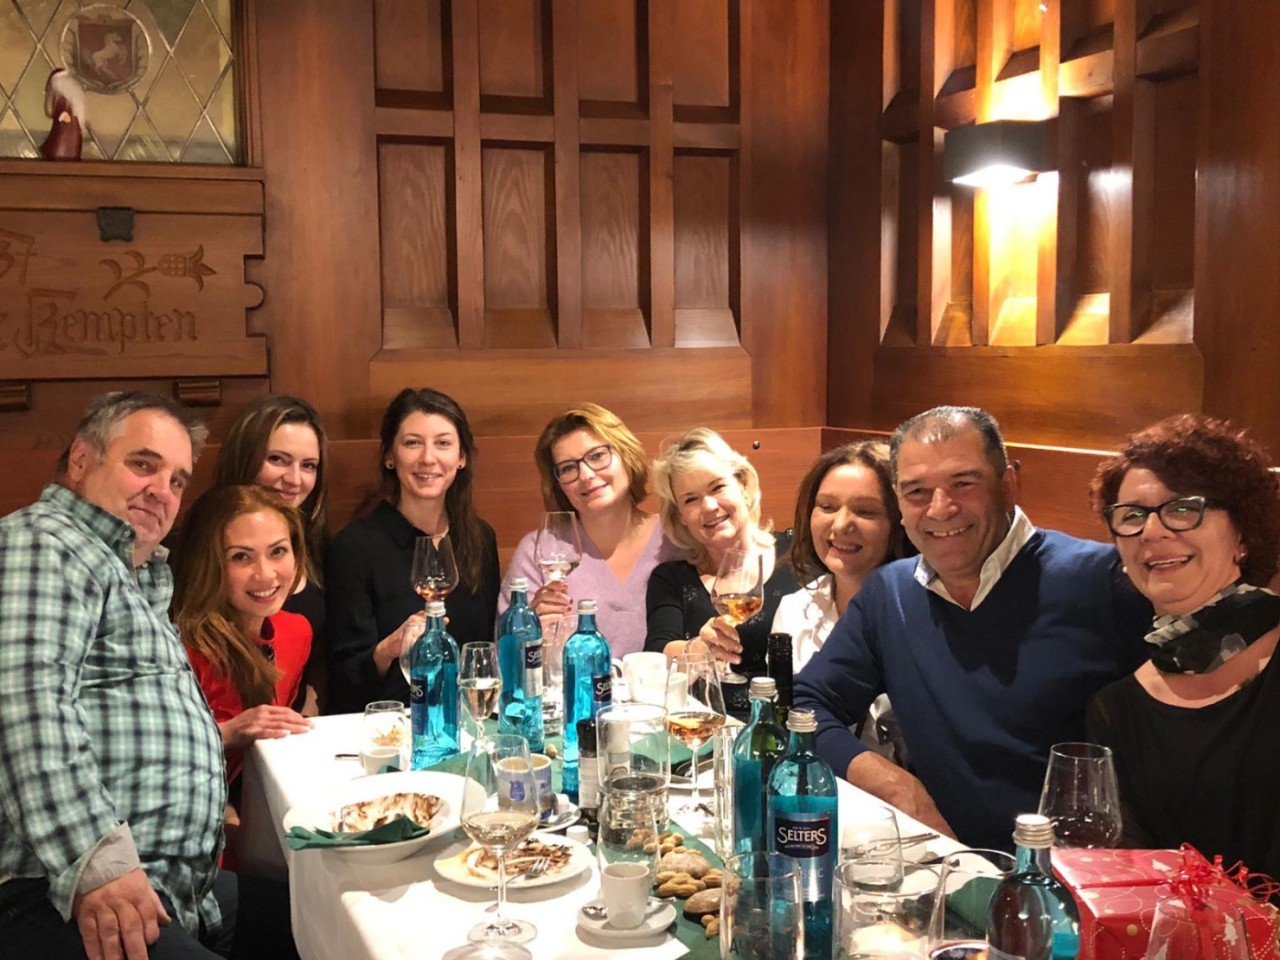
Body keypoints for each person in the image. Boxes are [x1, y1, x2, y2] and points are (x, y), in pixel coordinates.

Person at [0, 392, 298, 959]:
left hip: (177, 886)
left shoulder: (132, 575)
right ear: (81, 459)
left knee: (332, 916)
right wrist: (98, 867)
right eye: (144, 464)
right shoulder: (47, 543)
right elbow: (26, 709)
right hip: (62, 889)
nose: (162, 490)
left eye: (178, 479)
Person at [794, 406, 1152, 850]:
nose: (940, 508)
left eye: (963, 483)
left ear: (1008, 485)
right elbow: (805, 705)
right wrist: (897, 786)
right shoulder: (890, 595)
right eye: (917, 491)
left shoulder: (1103, 580)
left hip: (1076, 874)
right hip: (944, 865)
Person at [1086, 414, 1280, 879]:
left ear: (1242, 534)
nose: (1152, 532)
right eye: (1132, 516)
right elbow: (1128, 877)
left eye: (1182, 508)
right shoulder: (1115, 710)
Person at [326, 388, 500, 713]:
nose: (428, 458)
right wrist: (389, 649)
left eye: (443, 443)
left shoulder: (480, 537)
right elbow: (344, 679)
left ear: (462, 457)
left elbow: (484, 649)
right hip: (389, 723)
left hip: (469, 717)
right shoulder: (355, 545)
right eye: (412, 443)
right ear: (389, 456)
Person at [499, 403, 685, 656]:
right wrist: (529, 632)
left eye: (597, 456)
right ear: (558, 485)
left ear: (626, 456)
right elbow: (505, 658)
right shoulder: (540, 550)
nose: (585, 475)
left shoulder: (677, 536)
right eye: (568, 468)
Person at [771, 441, 910, 761]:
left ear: (899, 522)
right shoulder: (794, 610)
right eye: (827, 506)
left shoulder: (919, 613)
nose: (841, 524)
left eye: (865, 511)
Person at [173, 485, 314, 788]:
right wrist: (228, 733)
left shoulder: (297, 631)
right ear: (208, 564)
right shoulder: (181, 648)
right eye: (241, 557)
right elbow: (160, 753)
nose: (265, 574)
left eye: (278, 551)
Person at [645, 427, 798, 679]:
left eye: (717, 487)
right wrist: (696, 649)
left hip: (792, 701)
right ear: (680, 516)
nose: (708, 506)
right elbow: (657, 652)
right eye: (690, 499)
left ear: (743, 485)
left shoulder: (799, 551)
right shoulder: (671, 578)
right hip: (707, 704)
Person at [210, 394, 330, 710]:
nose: (294, 479)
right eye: (277, 459)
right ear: (245, 457)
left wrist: (312, 704)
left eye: (308, 465)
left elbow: (322, 653)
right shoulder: (200, 543)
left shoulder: (317, 544)